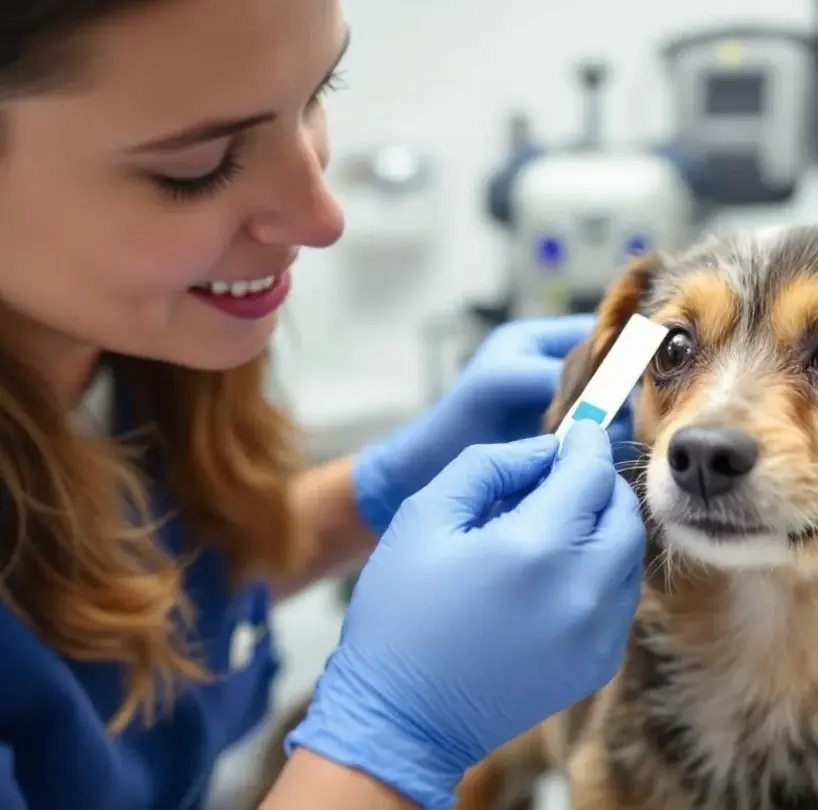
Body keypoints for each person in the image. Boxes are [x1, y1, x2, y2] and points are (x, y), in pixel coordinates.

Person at [0, 2, 647, 810]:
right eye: (198, 166)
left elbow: (136, 595)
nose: (321, 218)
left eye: (316, 93)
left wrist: (373, 494)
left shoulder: (128, 349)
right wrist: (396, 736)